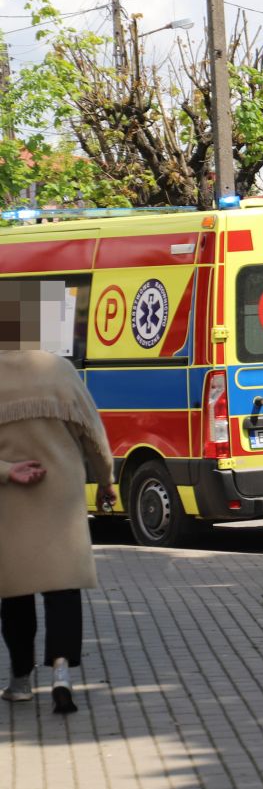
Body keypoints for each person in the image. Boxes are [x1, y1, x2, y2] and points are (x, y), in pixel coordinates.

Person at [0, 280, 116, 714]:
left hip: (10, 498)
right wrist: (106, 480)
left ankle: (19, 680)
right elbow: (94, 435)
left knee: (14, 592)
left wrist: (9, 471)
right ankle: (62, 672)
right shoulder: (61, 371)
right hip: (61, 495)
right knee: (62, 588)